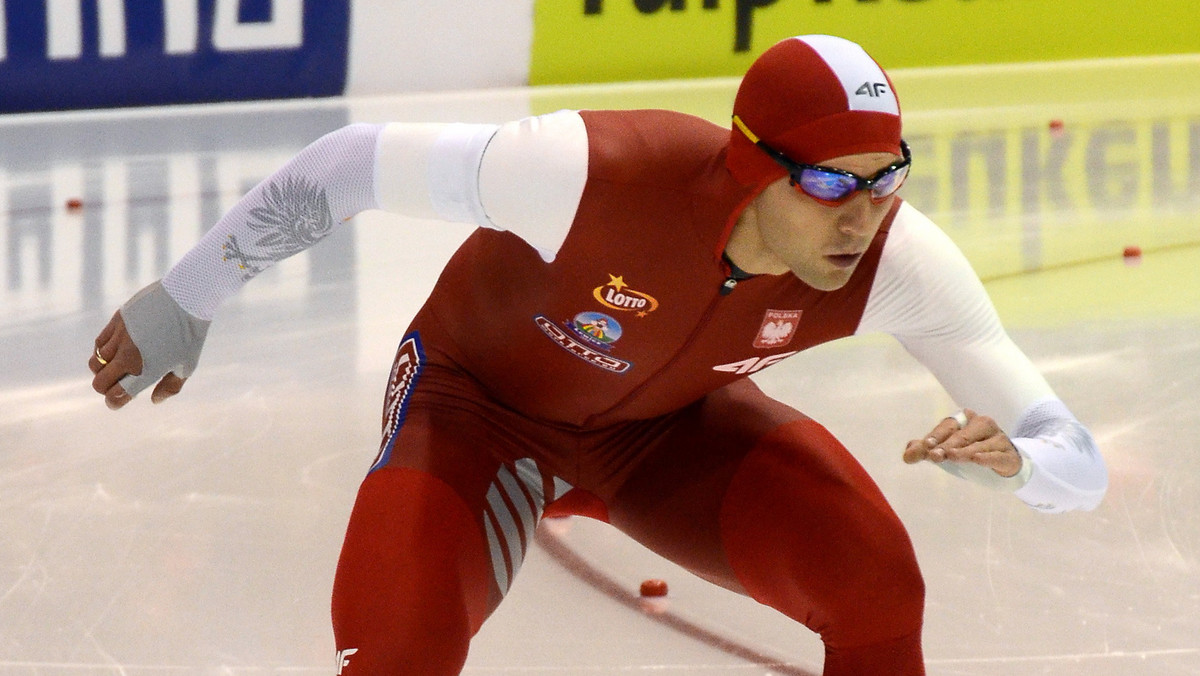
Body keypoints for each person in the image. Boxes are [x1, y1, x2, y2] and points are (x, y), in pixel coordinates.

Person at [88, 34, 1107, 675]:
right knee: (397, 650)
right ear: (756, 168)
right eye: (835, 186)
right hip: (476, 411)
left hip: (659, 438)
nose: (866, 213)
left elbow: (1077, 457)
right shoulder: (589, 171)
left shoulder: (902, 260)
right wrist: (186, 297)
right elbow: (349, 165)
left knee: (877, 579)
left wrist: (1023, 466)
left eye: (887, 176)